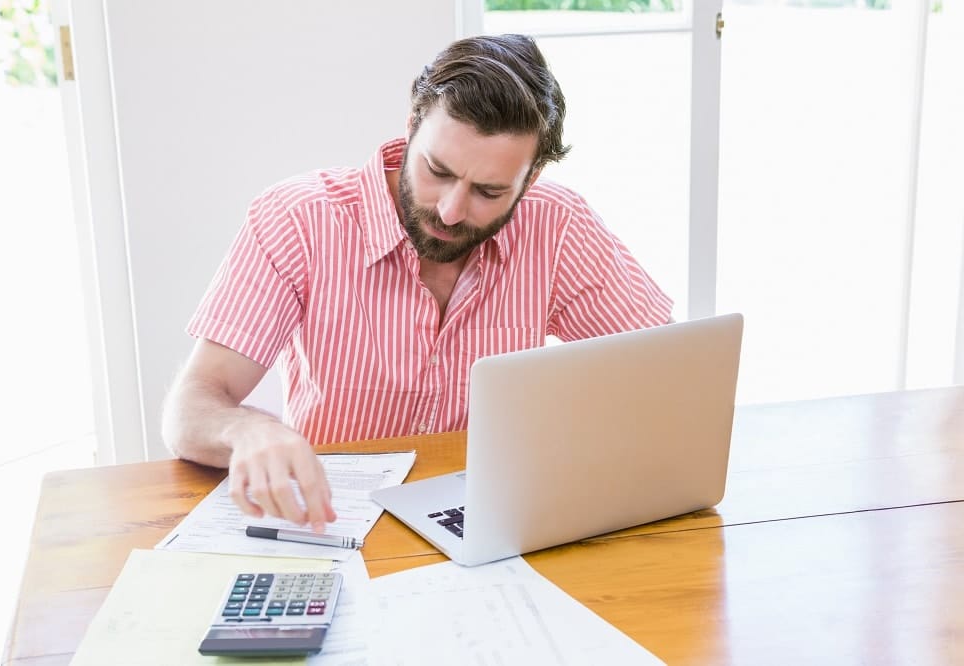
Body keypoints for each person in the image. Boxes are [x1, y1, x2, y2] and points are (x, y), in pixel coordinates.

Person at [162, 33, 673, 534]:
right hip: (338, 523)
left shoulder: (558, 226)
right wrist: (248, 429)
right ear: (411, 125)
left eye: (489, 191)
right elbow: (193, 405)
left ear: (530, 178)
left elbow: (667, 375)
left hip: (494, 521)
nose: (451, 210)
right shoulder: (299, 219)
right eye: (437, 170)